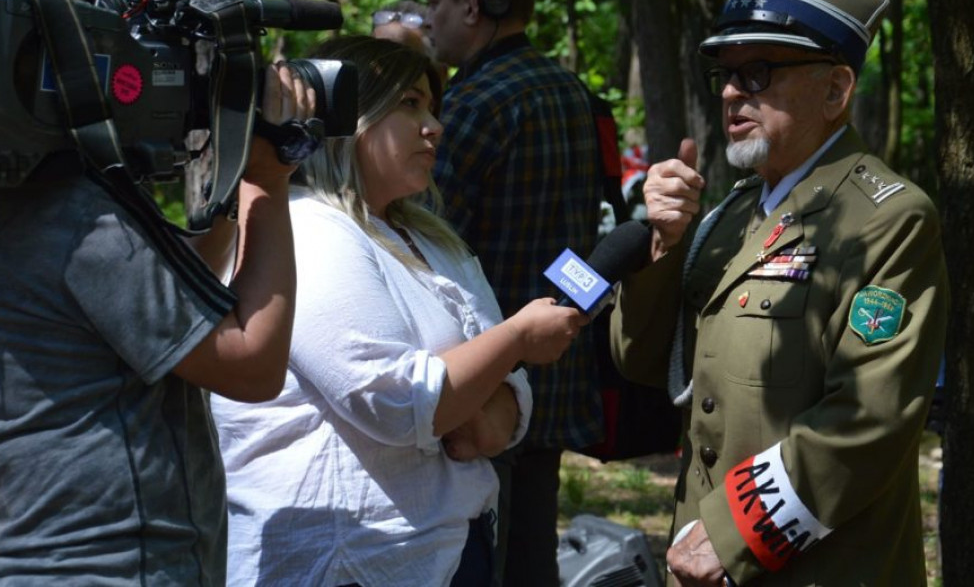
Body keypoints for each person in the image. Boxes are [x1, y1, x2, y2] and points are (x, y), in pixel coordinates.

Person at [611, 0, 949, 585]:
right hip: (704, 559)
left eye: (760, 71)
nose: (734, 91)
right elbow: (642, 360)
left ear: (835, 88)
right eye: (727, 74)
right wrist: (664, 246)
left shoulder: (889, 218)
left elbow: (870, 419)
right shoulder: (730, 215)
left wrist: (734, 533)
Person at [211, 35, 587, 587]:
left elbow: (509, 394)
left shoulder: (430, 237)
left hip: (446, 550)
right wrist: (514, 341)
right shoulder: (309, 229)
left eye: (430, 106)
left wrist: (482, 404)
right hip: (353, 562)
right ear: (347, 118)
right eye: (408, 104)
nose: (433, 125)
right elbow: (393, 400)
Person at [0, 60, 314, 583]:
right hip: (113, 565)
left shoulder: (28, 213)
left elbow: (166, 303)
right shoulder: (79, 226)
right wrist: (268, 181)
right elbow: (252, 365)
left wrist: (227, 183)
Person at [422, 0, 604, 585]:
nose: (427, 21)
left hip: (487, 382)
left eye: (434, 3)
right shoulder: (570, 91)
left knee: (483, 563)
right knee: (532, 558)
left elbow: (423, 239)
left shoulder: (473, 101)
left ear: (472, 6)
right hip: (555, 364)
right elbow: (581, 241)